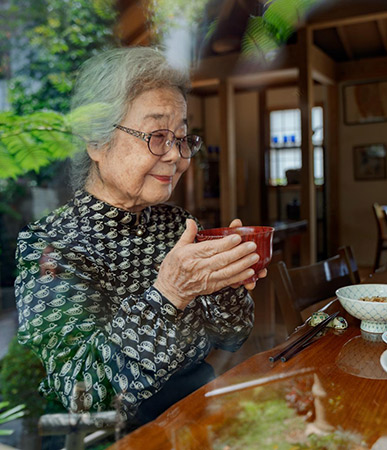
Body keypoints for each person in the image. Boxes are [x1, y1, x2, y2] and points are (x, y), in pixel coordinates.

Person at [14, 47, 265, 426]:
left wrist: (224, 283)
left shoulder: (177, 224)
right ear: (97, 141)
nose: (176, 157)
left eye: (181, 138)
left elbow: (231, 337)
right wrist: (170, 295)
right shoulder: (49, 246)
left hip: (198, 411)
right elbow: (82, 395)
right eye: (157, 135)